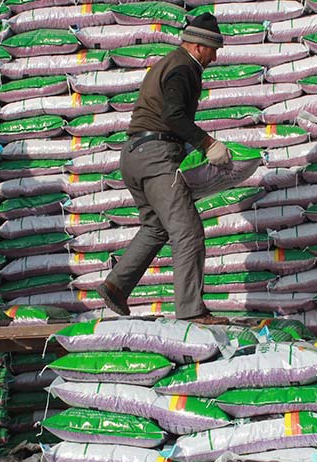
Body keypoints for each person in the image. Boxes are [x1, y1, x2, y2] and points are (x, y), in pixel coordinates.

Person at [96, 13, 232, 326]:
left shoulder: (167, 63)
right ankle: (191, 311)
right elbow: (173, 116)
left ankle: (116, 286)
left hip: (134, 155)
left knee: (156, 227)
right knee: (187, 231)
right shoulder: (184, 67)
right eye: (213, 50)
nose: (215, 57)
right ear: (198, 46)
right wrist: (207, 144)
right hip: (157, 156)